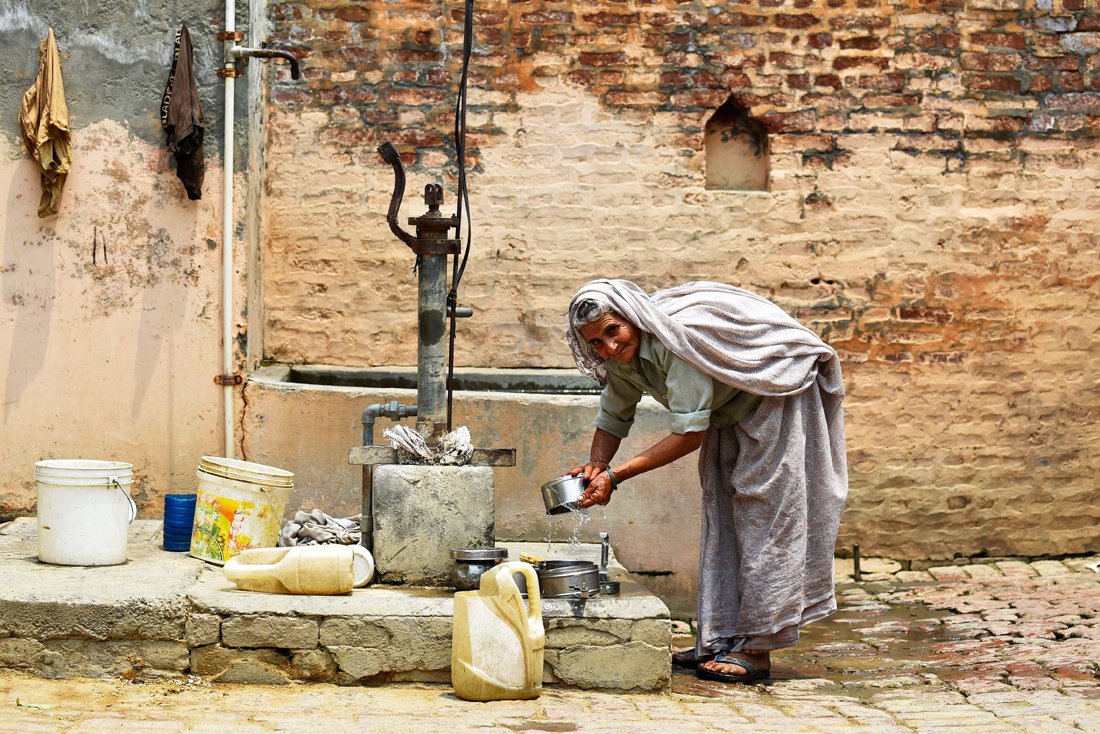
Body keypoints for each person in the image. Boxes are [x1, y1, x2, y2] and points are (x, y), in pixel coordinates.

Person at [565, 279, 848, 684]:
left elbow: (689, 435)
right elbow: (613, 416)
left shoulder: (672, 346)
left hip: (774, 392)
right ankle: (723, 636)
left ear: (634, 319)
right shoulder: (621, 360)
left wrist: (617, 475)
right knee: (725, 514)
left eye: (614, 331)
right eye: (596, 342)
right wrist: (596, 463)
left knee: (767, 518)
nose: (609, 347)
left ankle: (759, 646)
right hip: (729, 408)